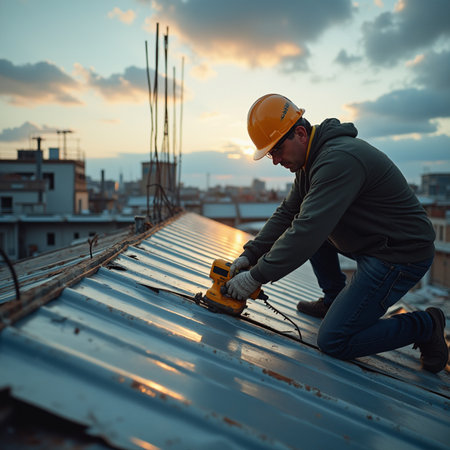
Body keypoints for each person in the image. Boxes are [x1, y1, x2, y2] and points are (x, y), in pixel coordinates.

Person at [226, 93, 448, 374]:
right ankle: (333, 300)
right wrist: (251, 254)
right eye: (271, 153)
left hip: (399, 255)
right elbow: (288, 213)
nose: (275, 160)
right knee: (311, 221)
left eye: (278, 150)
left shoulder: (337, 161)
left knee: (334, 340)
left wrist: (256, 277)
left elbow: (306, 231)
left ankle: (425, 326)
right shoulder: (310, 162)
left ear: (300, 133)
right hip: (374, 242)